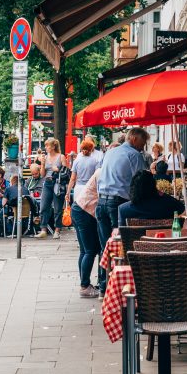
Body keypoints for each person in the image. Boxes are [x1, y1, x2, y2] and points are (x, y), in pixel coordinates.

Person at [95, 127, 151, 288]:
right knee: (120, 244)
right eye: (143, 142)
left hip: (101, 202)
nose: (143, 146)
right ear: (134, 139)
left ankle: (103, 286)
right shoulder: (134, 155)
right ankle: (118, 285)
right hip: (118, 203)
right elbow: (142, 180)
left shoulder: (110, 152)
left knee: (105, 246)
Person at [66, 137, 103, 297]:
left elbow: (72, 178)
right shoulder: (98, 166)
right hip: (85, 209)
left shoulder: (78, 159)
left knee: (84, 250)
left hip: (78, 202)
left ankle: (85, 284)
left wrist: (68, 192)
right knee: (91, 250)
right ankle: (84, 286)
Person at [117, 169, 185, 227]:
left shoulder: (123, 210)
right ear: (153, 185)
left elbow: (122, 233)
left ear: (132, 187)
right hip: (164, 238)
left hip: (135, 238)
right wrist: (161, 194)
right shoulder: (167, 204)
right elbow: (181, 207)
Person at [38, 138, 66, 239]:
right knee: (43, 207)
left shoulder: (61, 157)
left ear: (53, 146)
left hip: (58, 184)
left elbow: (66, 172)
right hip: (47, 183)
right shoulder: (45, 157)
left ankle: (57, 230)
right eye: (45, 145)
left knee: (57, 208)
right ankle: (43, 229)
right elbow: (42, 175)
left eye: (47, 145)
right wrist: (42, 164)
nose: (45, 147)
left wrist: (58, 170)